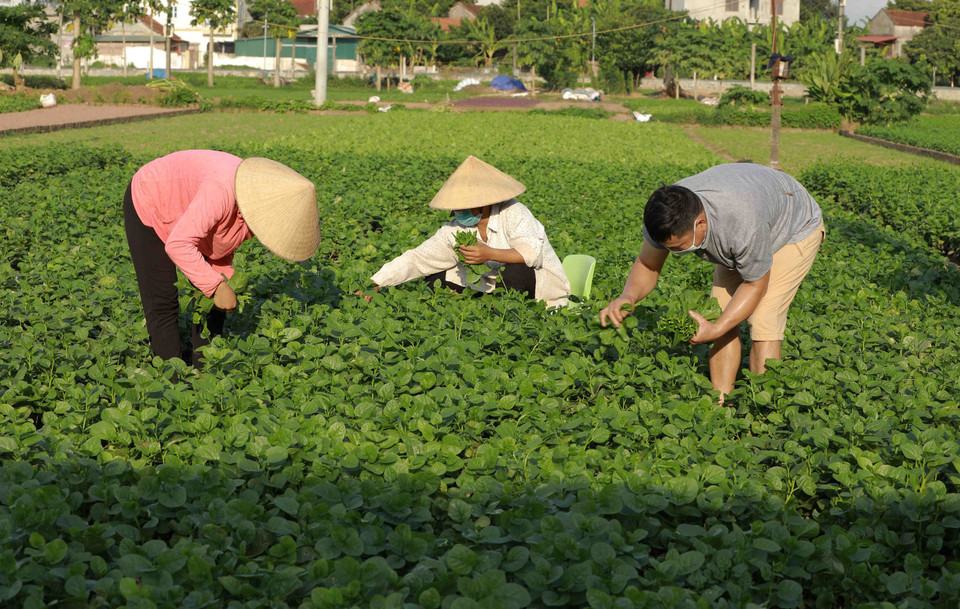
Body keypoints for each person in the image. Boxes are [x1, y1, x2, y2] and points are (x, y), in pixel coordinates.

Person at [599, 163, 824, 397]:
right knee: (718, 312)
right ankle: (721, 401)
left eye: (678, 247)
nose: (674, 252)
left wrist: (716, 329)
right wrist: (627, 297)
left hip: (793, 226)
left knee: (763, 318)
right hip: (751, 209)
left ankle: (764, 407)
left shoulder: (742, 225)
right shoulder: (665, 214)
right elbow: (648, 264)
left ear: (700, 224)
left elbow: (755, 285)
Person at [124, 150, 320, 367]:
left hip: (192, 211)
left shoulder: (253, 208)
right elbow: (178, 244)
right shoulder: (220, 192)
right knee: (163, 300)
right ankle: (171, 382)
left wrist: (220, 279)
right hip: (151, 199)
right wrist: (216, 286)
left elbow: (222, 239)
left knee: (212, 301)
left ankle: (203, 370)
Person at [370, 156, 570, 308]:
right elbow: (420, 258)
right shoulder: (457, 227)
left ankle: (510, 321)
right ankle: (459, 316)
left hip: (542, 289)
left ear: (483, 204)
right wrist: (377, 282)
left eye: (464, 206)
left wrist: (489, 253)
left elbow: (532, 253)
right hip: (492, 287)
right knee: (436, 277)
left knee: (514, 269)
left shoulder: (513, 211)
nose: (458, 212)